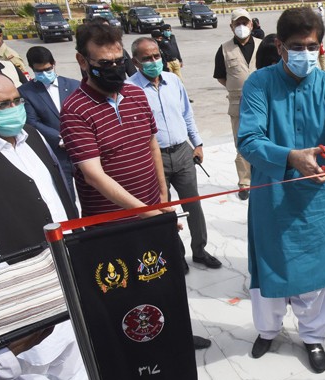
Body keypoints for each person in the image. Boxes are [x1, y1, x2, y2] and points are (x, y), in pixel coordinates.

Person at [237, 7, 325, 374]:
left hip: (319, 201)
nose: (306, 53)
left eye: (312, 46)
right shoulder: (258, 84)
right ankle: (267, 330)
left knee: (318, 276)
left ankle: (313, 336)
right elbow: (249, 139)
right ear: (280, 46)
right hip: (273, 197)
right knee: (270, 269)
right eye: (297, 47)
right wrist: (290, 157)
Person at [59, 23, 212, 349]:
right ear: (82, 61)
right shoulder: (75, 109)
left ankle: (177, 336)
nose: (114, 69)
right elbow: (93, 174)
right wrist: (149, 212)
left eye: (119, 61)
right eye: (104, 64)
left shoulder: (135, 94)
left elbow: (151, 145)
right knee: (124, 292)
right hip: (112, 226)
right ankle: (140, 349)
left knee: (165, 281)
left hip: (150, 215)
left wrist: (161, 199)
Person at [0, 73, 90, 380]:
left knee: (79, 372)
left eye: (16, 101)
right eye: (1, 105)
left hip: (66, 272)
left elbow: (60, 192)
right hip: (25, 293)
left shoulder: (33, 136)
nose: (12, 110)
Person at [127, 37, 222, 270]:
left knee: (193, 205)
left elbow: (187, 114)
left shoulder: (173, 81)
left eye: (156, 56)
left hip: (182, 153)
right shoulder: (129, 89)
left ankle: (199, 250)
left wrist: (197, 144)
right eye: (147, 58)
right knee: (164, 209)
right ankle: (176, 255)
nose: (153, 61)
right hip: (153, 159)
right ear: (135, 62)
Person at [18, 46, 80, 202]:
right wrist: (59, 138)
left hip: (80, 150)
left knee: (94, 195)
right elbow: (32, 122)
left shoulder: (74, 85)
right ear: (31, 68)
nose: (45, 74)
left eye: (48, 69)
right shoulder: (26, 92)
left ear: (54, 64)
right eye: (39, 71)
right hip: (56, 153)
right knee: (67, 198)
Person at [213, 9, 261, 200]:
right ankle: (245, 182)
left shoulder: (262, 44)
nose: (242, 26)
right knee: (242, 142)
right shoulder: (224, 49)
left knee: (265, 138)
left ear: (251, 24)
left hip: (262, 100)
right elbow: (220, 76)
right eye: (237, 23)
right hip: (237, 102)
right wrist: (235, 88)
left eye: (245, 22)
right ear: (231, 26)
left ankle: (263, 176)